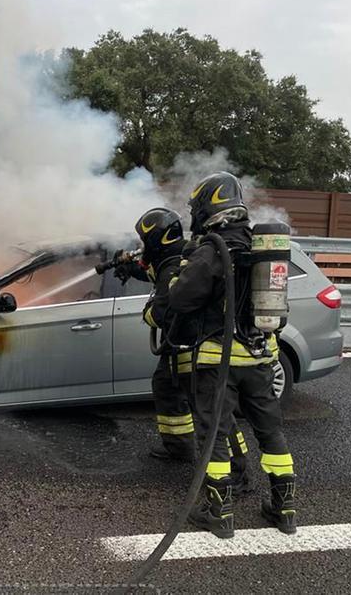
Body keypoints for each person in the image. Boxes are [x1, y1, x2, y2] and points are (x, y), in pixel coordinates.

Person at [167, 171, 296, 539]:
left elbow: (180, 300)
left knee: (215, 436)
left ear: (208, 205)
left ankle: (218, 513)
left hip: (217, 362)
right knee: (270, 433)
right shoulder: (258, 245)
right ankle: (284, 509)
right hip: (259, 360)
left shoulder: (212, 249)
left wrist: (179, 271)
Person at [118, 208, 250, 488]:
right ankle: (179, 447)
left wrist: (148, 314)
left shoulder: (176, 262)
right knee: (166, 386)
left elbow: (165, 309)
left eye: (146, 240)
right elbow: (156, 274)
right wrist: (129, 267)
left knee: (213, 412)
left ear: (156, 239)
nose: (143, 246)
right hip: (181, 345)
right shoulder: (174, 256)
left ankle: (238, 472)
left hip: (193, 346)